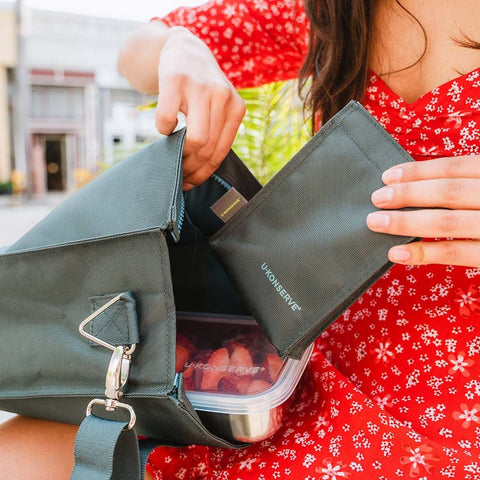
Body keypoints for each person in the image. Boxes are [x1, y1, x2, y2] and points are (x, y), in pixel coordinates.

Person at [1, 0, 480, 478]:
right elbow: (134, 53)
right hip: (290, 361)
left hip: (450, 405)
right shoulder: (332, 10)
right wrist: (179, 45)